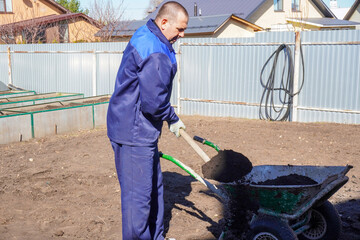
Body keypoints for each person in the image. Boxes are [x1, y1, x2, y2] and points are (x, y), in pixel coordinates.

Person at [106, 2, 189, 239]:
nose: (181, 35)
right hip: (134, 132)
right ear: (164, 22)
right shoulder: (154, 50)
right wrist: (173, 118)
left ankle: (156, 236)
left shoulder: (148, 34)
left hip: (137, 128)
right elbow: (153, 102)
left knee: (154, 190)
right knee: (138, 201)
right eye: (180, 29)